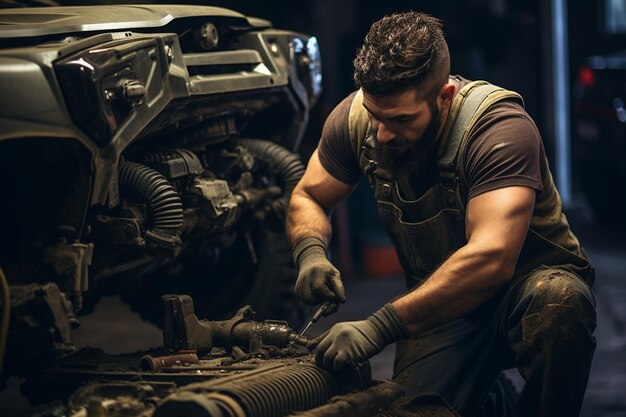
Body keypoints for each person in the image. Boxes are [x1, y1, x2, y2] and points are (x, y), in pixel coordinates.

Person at [286, 11, 597, 417]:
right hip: (443, 305)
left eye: (400, 120)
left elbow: (491, 259)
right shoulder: (356, 118)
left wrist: (379, 327)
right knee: (411, 411)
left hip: (525, 293)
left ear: (444, 97)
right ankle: (492, 403)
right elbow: (309, 194)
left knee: (560, 301)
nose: (381, 133)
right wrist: (310, 252)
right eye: (376, 114)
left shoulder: (498, 130)